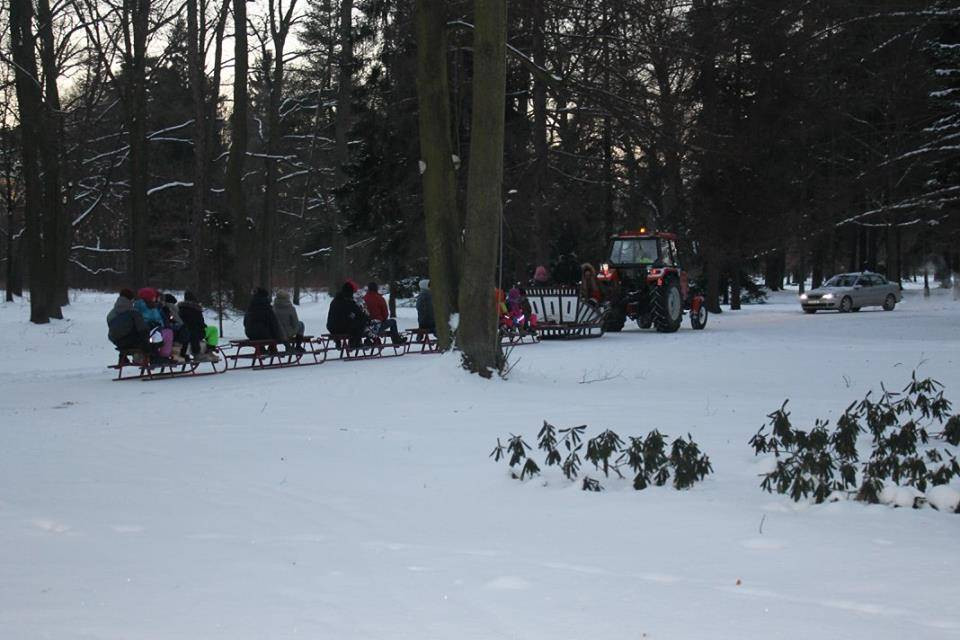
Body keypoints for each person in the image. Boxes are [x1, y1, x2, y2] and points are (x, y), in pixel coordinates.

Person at [178, 291, 219, 362]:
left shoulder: (180, 309)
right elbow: (201, 324)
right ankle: (210, 349)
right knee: (213, 330)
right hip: (196, 333)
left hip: (184, 332)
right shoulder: (195, 309)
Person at [134, 287, 174, 360]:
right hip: (150, 330)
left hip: (144, 331)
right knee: (168, 333)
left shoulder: (137, 305)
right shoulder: (150, 307)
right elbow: (156, 320)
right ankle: (164, 356)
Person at [327, 281, 371, 347]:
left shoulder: (335, 300)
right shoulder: (347, 301)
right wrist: (367, 318)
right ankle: (355, 342)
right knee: (361, 322)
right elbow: (358, 313)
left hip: (331, 327)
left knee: (353, 322)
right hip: (341, 328)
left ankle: (347, 342)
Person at [106, 288, 150, 353]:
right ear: (131, 299)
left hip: (116, 340)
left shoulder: (111, 313)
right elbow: (142, 329)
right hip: (131, 341)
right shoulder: (134, 312)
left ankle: (122, 357)